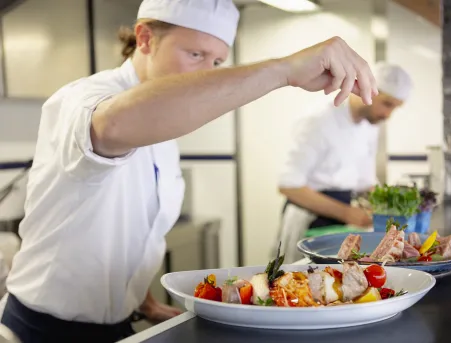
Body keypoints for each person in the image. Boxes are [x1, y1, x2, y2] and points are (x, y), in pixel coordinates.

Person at [0, 0, 378, 341]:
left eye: (216, 62)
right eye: (195, 53)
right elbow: (112, 127)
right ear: (145, 38)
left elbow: (110, 222)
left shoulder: (164, 127)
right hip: (44, 331)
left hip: (117, 324)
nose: (206, 71)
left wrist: (132, 296)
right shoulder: (83, 98)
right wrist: (284, 70)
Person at [277, 62, 413, 263]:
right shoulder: (319, 120)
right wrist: (349, 214)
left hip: (343, 220)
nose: (388, 115)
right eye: (387, 104)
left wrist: (391, 210)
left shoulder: (370, 125)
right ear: (365, 90)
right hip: (310, 218)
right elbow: (289, 186)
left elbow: (365, 182)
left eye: (395, 108)